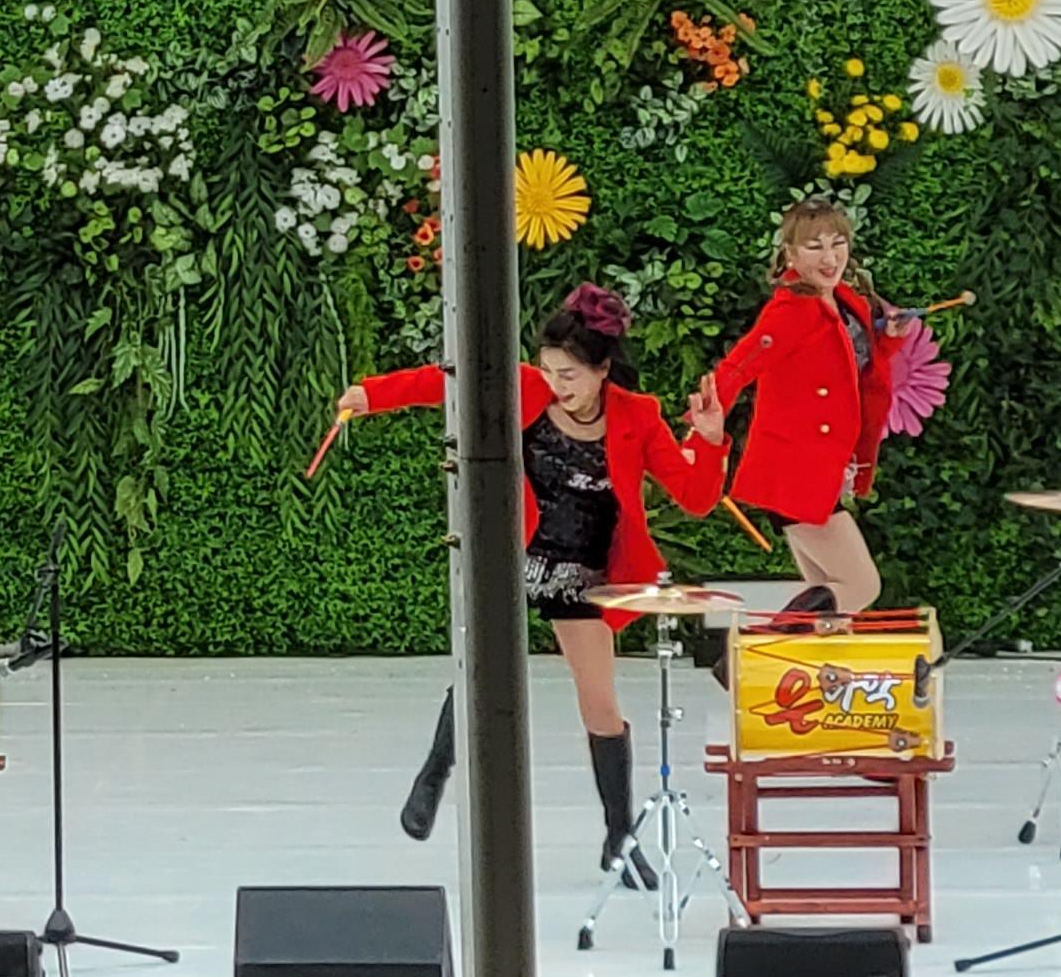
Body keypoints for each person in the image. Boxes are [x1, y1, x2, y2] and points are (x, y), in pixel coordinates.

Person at [335, 283, 728, 877]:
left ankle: (619, 838)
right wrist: (372, 394)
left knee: (600, 702)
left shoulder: (638, 416)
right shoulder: (525, 388)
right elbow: (445, 382)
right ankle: (435, 772)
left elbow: (695, 498)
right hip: (515, 554)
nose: (556, 384)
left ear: (602, 370)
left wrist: (711, 439)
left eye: (569, 374)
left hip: (586, 571)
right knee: (482, 666)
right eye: (548, 370)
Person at [685, 195, 912, 619]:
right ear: (790, 254)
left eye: (837, 243)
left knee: (830, 601)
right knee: (861, 586)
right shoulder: (791, 310)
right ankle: (761, 644)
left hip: (819, 467)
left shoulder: (845, 300)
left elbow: (853, 369)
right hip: (796, 471)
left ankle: (786, 654)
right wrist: (708, 414)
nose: (830, 257)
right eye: (814, 246)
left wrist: (888, 339)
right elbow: (742, 363)